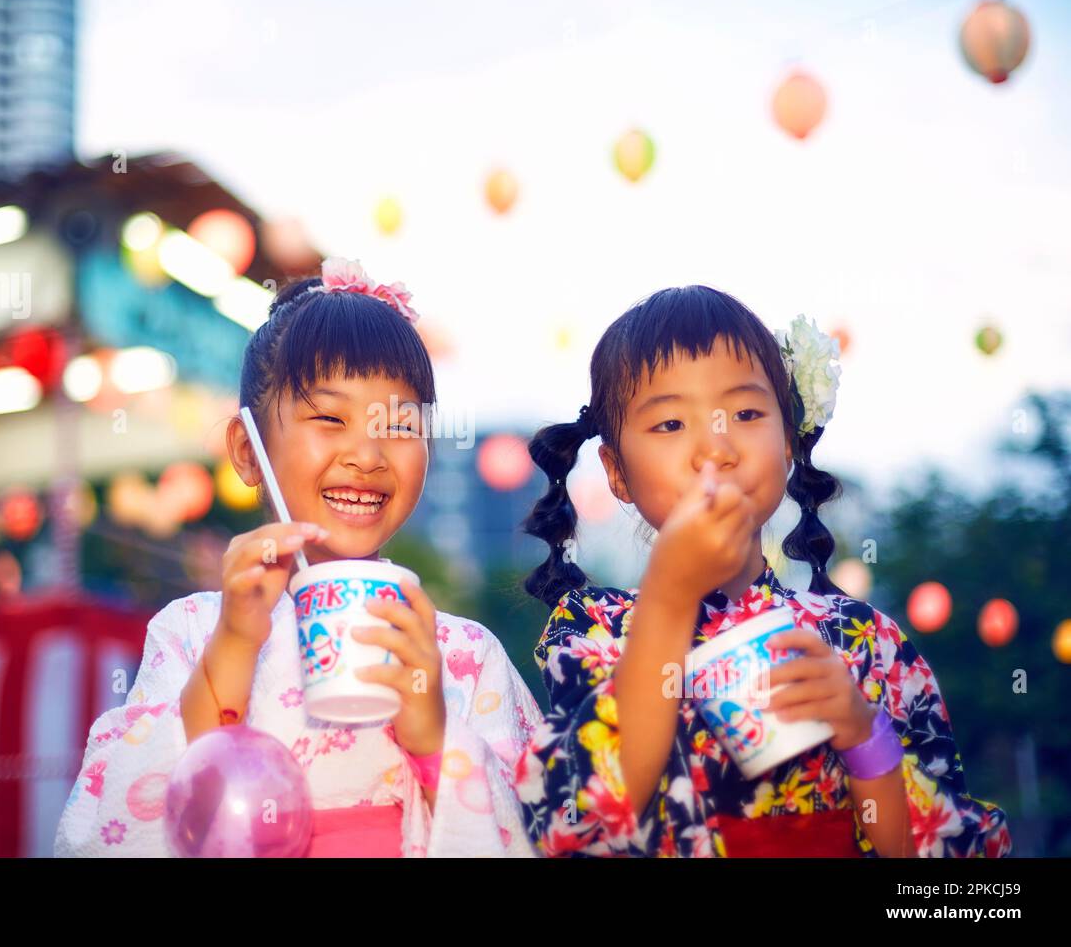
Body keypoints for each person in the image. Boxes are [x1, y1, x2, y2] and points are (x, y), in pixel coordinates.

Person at [56, 258, 541, 857]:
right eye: (329, 418)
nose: (366, 454)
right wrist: (234, 643)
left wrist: (433, 733)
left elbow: (535, 831)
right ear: (247, 448)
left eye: (399, 425)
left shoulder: (464, 657)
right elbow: (136, 812)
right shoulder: (192, 631)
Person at [514, 285, 1011, 858]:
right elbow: (579, 820)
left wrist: (861, 734)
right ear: (616, 471)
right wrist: (670, 597)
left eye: (746, 413)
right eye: (671, 424)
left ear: (789, 440)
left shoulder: (865, 640)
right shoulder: (594, 629)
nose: (716, 449)